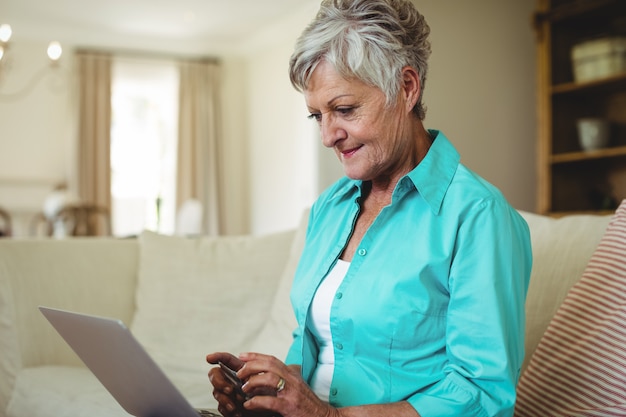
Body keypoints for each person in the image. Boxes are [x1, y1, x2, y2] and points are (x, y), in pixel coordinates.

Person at [206, 0, 532, 416]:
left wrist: (328, 416)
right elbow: (311, 349)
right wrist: (268, 393)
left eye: (344, 110)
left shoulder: (477, 216)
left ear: (407, 88)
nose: (328, 136)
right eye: (316, 117)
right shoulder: (330, 206)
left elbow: (482, 395)